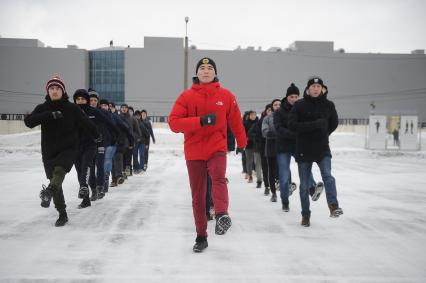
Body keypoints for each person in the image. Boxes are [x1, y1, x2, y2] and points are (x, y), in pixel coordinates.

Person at [169, 57, 247, 253]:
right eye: (202, 68)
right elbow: (174, 123)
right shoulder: (186, 97)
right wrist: (200, 121)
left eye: (210, 68)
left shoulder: (226, 96)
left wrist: (243, 142)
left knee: (219, 178)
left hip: (216, 147)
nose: (206, 71)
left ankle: (221, 214)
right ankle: (201, 236)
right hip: (194, 151)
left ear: (215, 73)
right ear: (197, 73)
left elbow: (236, 121)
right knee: (198, 196)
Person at [24, 76, 99, 226]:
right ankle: (62, 213)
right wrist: (49, 115)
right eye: (51, 88)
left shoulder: (71, 108)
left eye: (57, 88)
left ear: (63, 91)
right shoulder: (43, 108)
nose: (54, 91)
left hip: (69, 148)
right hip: (49, 151)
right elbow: (29, 122)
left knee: (59, 170)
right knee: (55, 181)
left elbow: (86, 123)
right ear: (48, 91)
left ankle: (49, 191)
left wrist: (97, 136)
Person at [288, 77, 343, 227]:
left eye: (318, 86)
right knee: (305, 186)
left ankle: (333, 206)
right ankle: (305, 215)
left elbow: (333, 123)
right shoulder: (299, 105)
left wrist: (323, 133)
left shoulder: (329, 105)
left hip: (322, 147)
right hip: (304, 149)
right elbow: (292, 125)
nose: (316, 89)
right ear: (308, 89)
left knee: (328, 176)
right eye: (313, 86)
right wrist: (314, 126)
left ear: (322, 88)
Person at [274, 83, 320, 212]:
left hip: (297, 146)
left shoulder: (301, 109)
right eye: (291, 96)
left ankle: (313, 188)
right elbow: (278, 128)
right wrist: (294, 134)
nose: (294, 99)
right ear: (287, 97)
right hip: (283, 147)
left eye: (296, 96)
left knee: (305, 168)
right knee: (284, 176)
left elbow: (306, 125)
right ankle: (285, 200)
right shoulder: (279, 112)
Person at [262, 99, 281, 202]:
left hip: (282, 146)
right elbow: (265, 132)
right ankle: (273, 193)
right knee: (271, 170)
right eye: (275, 104)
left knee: (283, 167)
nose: (278, 106)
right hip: (270, 146)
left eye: (279, 104)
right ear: (272, 106)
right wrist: (280, 134)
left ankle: (284, 186)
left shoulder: (285, 117)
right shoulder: (267, 118)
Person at [245, 111, 263, 186]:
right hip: (248, 144)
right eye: (251, 115)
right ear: (249, 116)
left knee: (257, 161)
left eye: (254, 115)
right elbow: (245, 133)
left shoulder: (259, 123)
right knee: (249, 160)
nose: (253, 116)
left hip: (257, 145)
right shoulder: (245, 123)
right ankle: (250, 175)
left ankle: (257, 173)